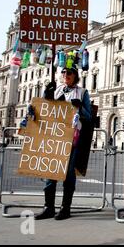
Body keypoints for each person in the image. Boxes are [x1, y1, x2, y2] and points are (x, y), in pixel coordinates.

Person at [35, 64, 92, 221]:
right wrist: (46, 95)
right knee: (50, 172)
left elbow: (88, 117)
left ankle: (65, 208)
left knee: (68, 173)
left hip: (72, 137)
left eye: (69, 72)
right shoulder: (56, 89)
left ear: (75, 75)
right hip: (54, 135)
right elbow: (45, 109)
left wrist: (79, 107)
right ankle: (48, 207)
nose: (66, 74)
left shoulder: (82, 92)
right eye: (64, 72)